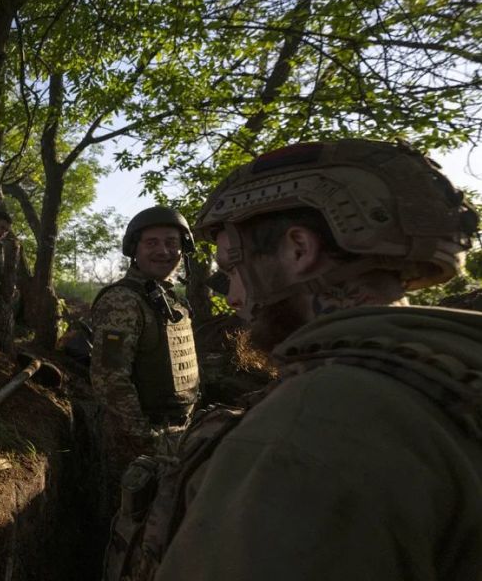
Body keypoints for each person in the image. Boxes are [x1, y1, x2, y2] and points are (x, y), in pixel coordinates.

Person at [107, 139, 482, 580]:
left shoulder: (303, 428)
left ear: (298, 250)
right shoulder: (446, 374)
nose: (232, 298)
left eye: (233, 268)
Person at [89, 206, 200, 455]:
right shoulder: (123, 301)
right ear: (135, 250)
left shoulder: (169, 299)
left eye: (172, 243)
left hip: (178, 435)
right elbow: (109, 379)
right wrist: (146, 440)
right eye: (152, 243)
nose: (163, 251)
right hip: (138, 444)